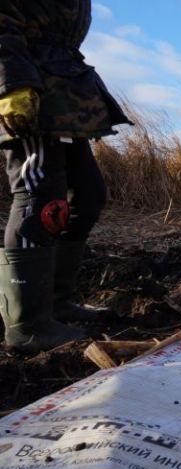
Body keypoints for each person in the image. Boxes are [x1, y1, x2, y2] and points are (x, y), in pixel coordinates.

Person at [0, 0, 130, 352]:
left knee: (88, 196)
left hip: (64, 89)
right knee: (40, 197)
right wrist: (11, 85)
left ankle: (57, 301)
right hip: (28, 85)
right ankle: (27, 324)